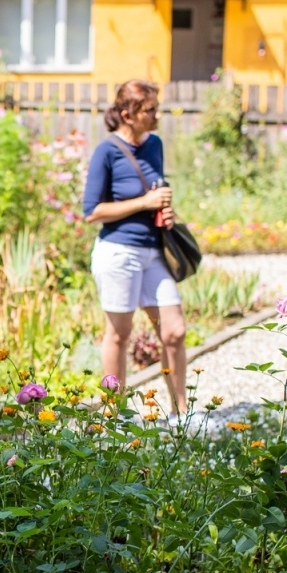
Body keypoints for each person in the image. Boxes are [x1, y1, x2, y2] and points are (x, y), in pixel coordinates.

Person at [81, 80, 188, 418]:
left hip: (154, 251)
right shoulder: (107, 151)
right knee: (120, 335)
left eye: (156, 108)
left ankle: (180, 414)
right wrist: (145, 201)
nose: (157, 116)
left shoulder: (154, 144)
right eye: (149, 110)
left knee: (174, 330)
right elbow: (91, 212)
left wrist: (164, 210)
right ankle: (115, 415)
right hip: (119, 253)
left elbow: (156, 189)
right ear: (127, 114)